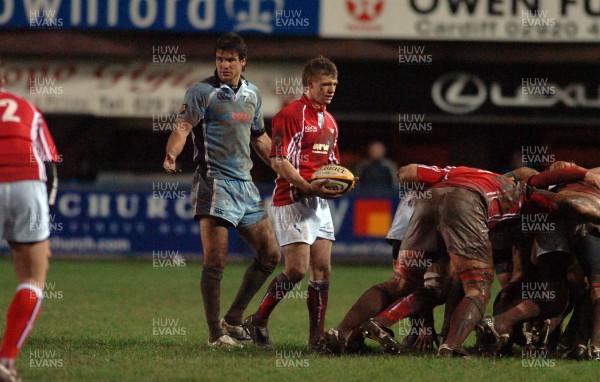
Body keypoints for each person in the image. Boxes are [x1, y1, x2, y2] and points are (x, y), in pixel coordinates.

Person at [163, 32, 281, 349]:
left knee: (270, 256)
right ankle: (216, 334)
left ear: (243, 62)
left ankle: (233, 319)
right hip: (214, 183)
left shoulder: (253, 94)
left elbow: (259, 138)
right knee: (216, 260)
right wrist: (172, 153)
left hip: (246, 185)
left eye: (230, 59)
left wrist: (283, 168)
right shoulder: (202, 91)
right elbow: (182, 127)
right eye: (220, 59)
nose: (224, 64)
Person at [243, 56, 344, 349]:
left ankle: (316, 338)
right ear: (310, 83)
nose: (331, 89)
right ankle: (258, 320)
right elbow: (277, 159)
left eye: (334, 84)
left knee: (323, 270)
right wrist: (306, 186)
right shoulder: (290, 115)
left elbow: (332, 162)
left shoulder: (330, 120)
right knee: (297, 270)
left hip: (319, 203)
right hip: (292, 199)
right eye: (325, 84)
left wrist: (342, 182)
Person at [0, 70, 60, 382]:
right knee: (33, 278)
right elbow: (50, 165)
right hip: (28, 185)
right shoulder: (27, 107)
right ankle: (6, 361)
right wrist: (42, 213)